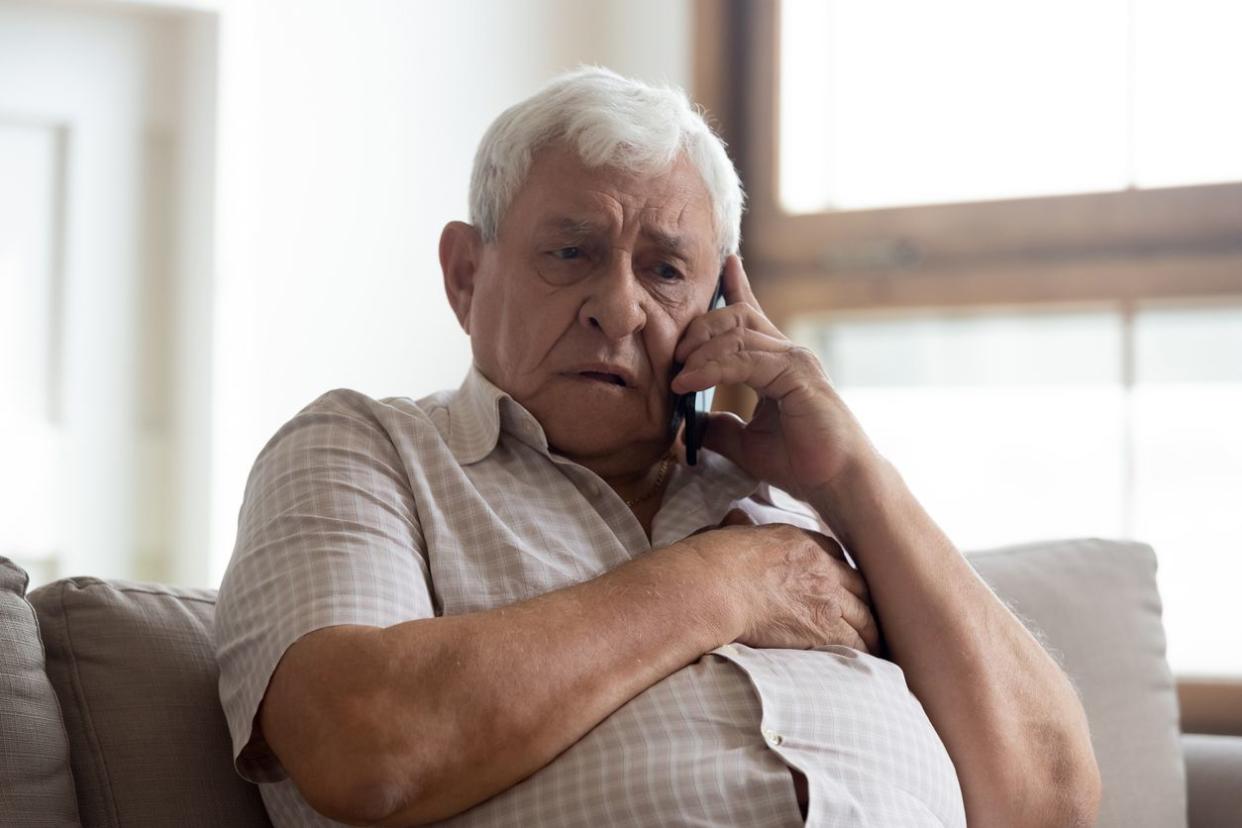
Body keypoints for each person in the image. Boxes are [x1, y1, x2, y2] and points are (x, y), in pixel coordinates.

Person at [215, 66, 1101, 827]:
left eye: (668, 270)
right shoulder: (367, 450)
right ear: (466, 275)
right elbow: (365, 741)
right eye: (571, 251)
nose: (621, 306)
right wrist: (732, 583)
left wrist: (856, 479)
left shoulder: (802, 501)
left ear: (724, 302)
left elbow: (1049, 802)